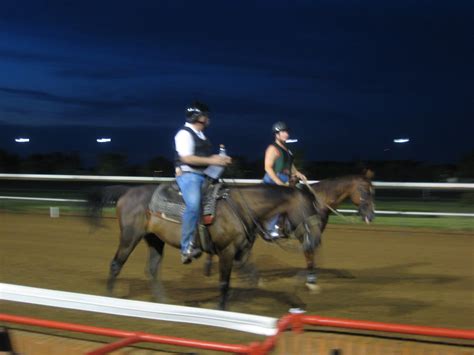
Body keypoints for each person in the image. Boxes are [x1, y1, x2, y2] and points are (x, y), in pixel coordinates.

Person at [174, 101, 232, 264]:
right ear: (199, 117)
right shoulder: (184, 134)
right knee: (193, 205)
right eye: (206, 115)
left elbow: (204, 159)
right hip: (189, 176)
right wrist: (212, 159)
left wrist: (220, 160)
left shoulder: (201, 135)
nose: (208, 118)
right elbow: (186, 158)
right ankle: (186, 247)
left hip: (204, 174)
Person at [263, 121, 307, 238]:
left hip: (285, 178)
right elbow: (267, 167)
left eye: (286, 132)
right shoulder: (273, 148)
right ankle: (269, 230)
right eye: (283, 132)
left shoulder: (286, 149)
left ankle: (284, 225)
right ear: (277, 134)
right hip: (274, 179)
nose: (286, 134)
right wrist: (278, 182)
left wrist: (298, 173)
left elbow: (290, 165)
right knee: (279, 203)